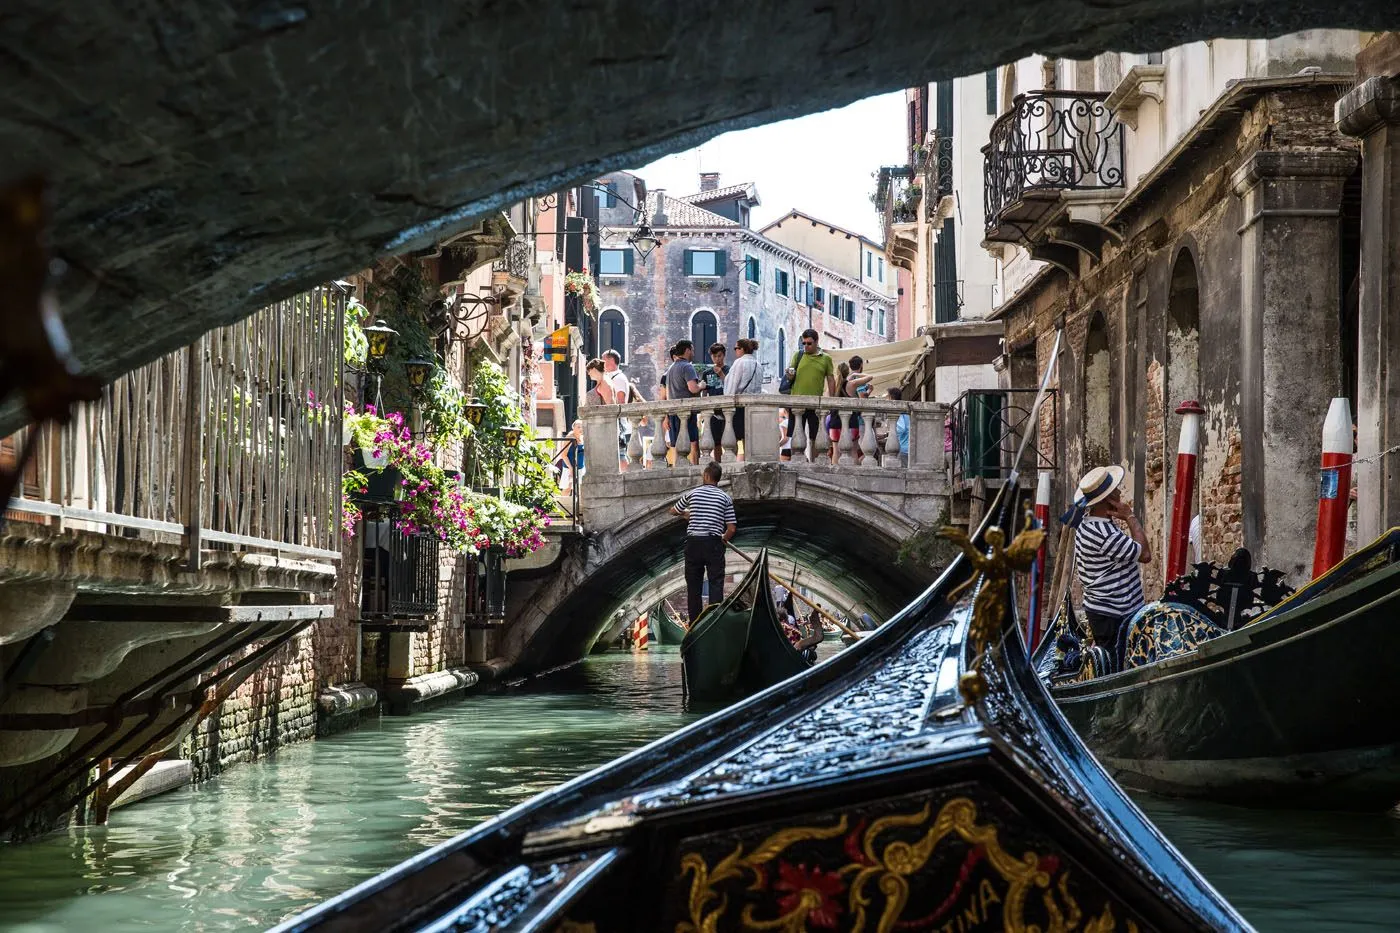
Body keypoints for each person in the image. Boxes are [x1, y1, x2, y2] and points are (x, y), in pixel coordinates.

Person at [1064, 465, 1152, 670]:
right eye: (1115, 491)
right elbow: (1145, 555)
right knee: (1118, 668)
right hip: (1115, 614)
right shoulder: (1104, 533)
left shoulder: (1085, 524)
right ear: (1108, 500)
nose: (1120, 492)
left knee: (1113, 663)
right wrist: (1130, 516)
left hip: (1102, 611)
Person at [671, 461, 737, 622]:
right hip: (713, 543)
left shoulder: (694, 493)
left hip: (693, 543)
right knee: (715, 584)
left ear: (706, 476)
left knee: (694, 587)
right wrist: (723, 540)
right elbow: (732, 529)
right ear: (717, 478)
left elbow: (673, 511)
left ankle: (695, 624)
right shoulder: (725, 498)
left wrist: (687, 514)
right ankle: (713, 622)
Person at [783, 328, 837, 456]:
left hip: (815, 403)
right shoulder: (798, 355)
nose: (806, 346)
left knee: (815, 436)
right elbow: (791, 376)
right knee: (795, 434)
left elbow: (830, 379)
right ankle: (798, 462)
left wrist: (832, 399)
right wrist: (789, 374)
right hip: (797, 402)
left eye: (809, 343)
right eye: (804, 343)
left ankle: (814, 464)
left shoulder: (826, 359)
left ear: (816, 342)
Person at [724, 338, 763, 461]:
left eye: (736, 348)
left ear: (742, 349)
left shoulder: (739, 363)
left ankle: (733, 463)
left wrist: (726, 403)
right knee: (749, 437)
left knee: (734, 437)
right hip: (754, 406)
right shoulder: (758, 364)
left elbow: (732, 384)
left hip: (739, 406)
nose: (735, 351)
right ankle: (749, 461)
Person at [664, 339, 702, 465]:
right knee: (693, 445)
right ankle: (695, 470)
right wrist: (702, 385)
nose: (693, 353)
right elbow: (693, 388)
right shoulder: (687, 366)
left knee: (677, 447)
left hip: (673, 413)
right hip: (686, 413)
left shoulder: (671, 368)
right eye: (692, 350)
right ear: (687, 350)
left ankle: (678, 470)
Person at [701, 342, 727, 460]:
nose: (717, 359)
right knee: (716, 441)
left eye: (720, 356)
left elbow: (731, 387)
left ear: (724, 355)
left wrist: (721, 374)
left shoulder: (728, 370)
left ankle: (730, 462)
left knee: (729, 439)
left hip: (727, 409)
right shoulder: (707, 373)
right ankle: (718, 463)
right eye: (715, 356)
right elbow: (705, 392)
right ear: (711, 356)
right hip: (713, 412)